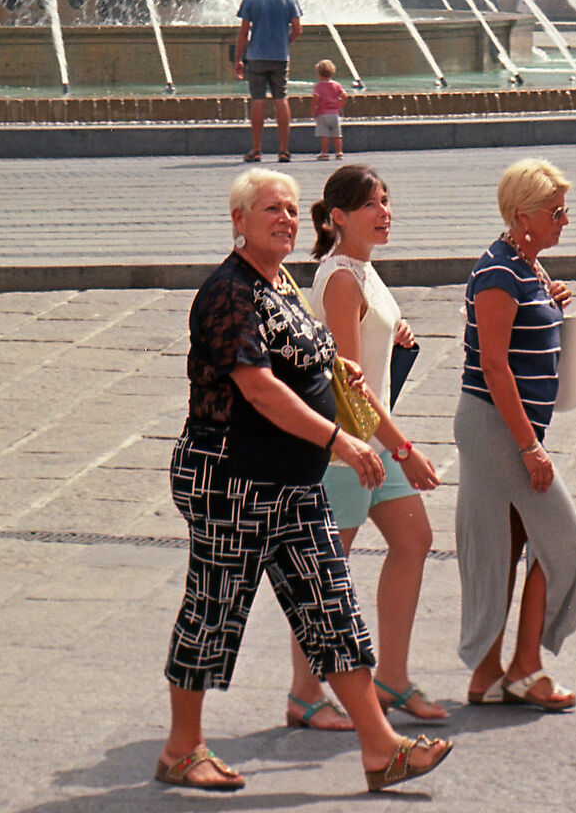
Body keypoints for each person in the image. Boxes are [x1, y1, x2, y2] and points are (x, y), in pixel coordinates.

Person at [159, 168, 453, 795]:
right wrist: (341, 438)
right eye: (271, 210)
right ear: (239, 220)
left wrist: (339, 362)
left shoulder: (282, 283)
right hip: (231, 476)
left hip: (289, 483)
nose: (285, 220)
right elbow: (258, 387)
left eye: (292, 211)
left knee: (331, 607)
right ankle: (182, 749)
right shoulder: (228, 292)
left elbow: (309, 354)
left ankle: (381, 749)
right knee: (213, 610)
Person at [283, 165, 446, 733]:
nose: (385, 211)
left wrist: (393, 333)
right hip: (347, 449)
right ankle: (304, 694)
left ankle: (392, 677)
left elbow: (362, 346)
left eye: (387, 199)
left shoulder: (362, 272)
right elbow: (350, 386)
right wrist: (406, 451)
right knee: (330, 567)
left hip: (371, 439)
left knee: (414, 540)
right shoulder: (342, 278)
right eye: (373, 204)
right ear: (338, 218)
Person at [457, 158, 576, 713]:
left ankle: (491, 676)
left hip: (511, 427)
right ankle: (525, 668)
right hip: (495, 428)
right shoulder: (499, 272)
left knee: (504, 546)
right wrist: (530, 447)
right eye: (555, 211)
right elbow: (493, 365)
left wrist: (548, 302)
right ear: (522, 216)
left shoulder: (524, 266)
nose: (565, 220)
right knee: (562, 543)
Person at [234, 0, 305, 165]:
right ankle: (283, 150)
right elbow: (298, 29)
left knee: (257, 101)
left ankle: (256, 150)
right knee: (281, 98)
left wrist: (239, 59)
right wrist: (285, 41)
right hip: (280, 57)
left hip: (256, 56)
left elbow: (243, 32)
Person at [311, 61, 347, 161]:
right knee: (337, 135)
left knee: (324, 135)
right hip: (335, 114)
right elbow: (344, 95)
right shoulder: (336, 85)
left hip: (322, 114)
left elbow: (316, 98)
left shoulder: (319, 86)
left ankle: (325, 153)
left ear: (318, 74)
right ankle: (339, 153)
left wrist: (313, 110)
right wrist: (339, 105)